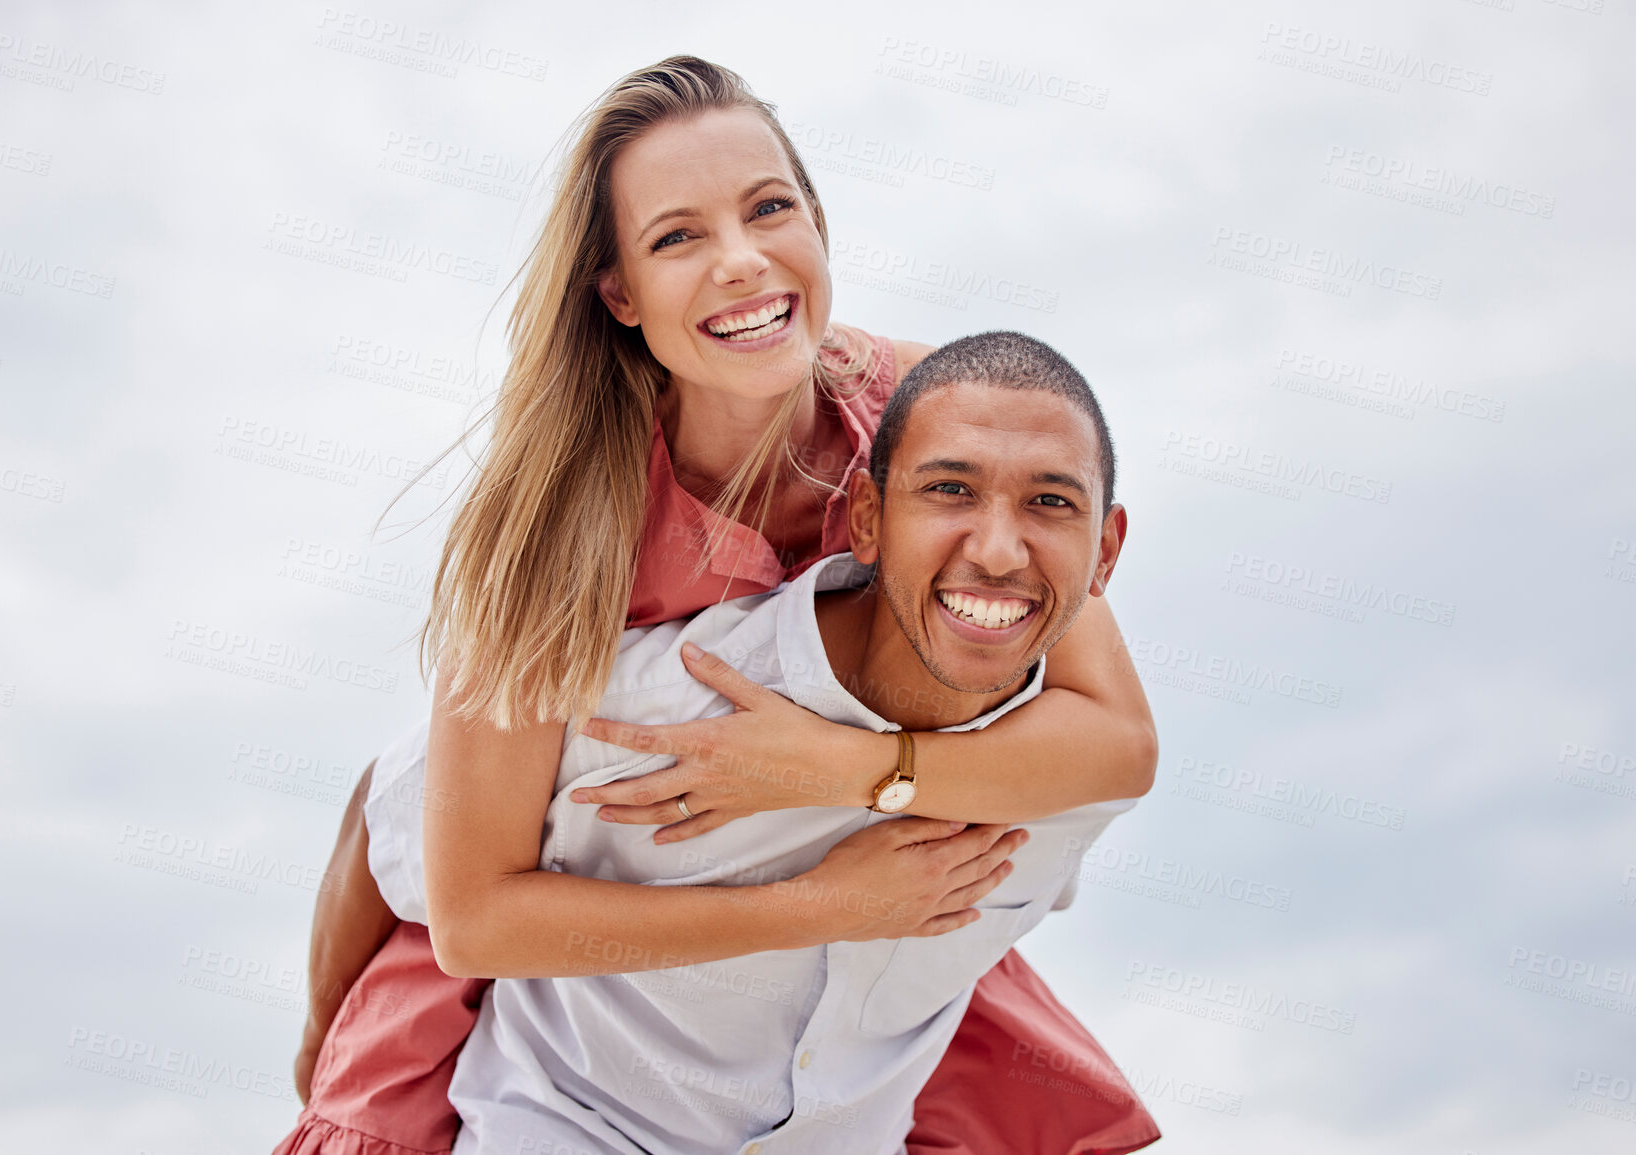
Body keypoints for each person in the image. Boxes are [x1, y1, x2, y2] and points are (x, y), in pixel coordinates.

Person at [277, 56, 1158, 1155]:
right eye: (678, 237)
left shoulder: (934, 419)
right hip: (566, 873)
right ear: (620, 293)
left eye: (769, 208)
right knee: (371, 1043)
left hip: (825, 855)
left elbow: (1113, 737)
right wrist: (817, 909)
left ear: (819, 226)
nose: (743, 263)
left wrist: (835, 776)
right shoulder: (559, 521)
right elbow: (464, 900)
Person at [366, 330, 1142, 1154]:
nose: (994, 549)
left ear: (1105, 552)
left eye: (1050, 503)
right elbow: (415, 838)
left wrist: (857, 774)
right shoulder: (659, 704)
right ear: (868, 519)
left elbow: (1126, 758)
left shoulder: (1069, 786)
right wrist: (814, 907)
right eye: (950, 489)